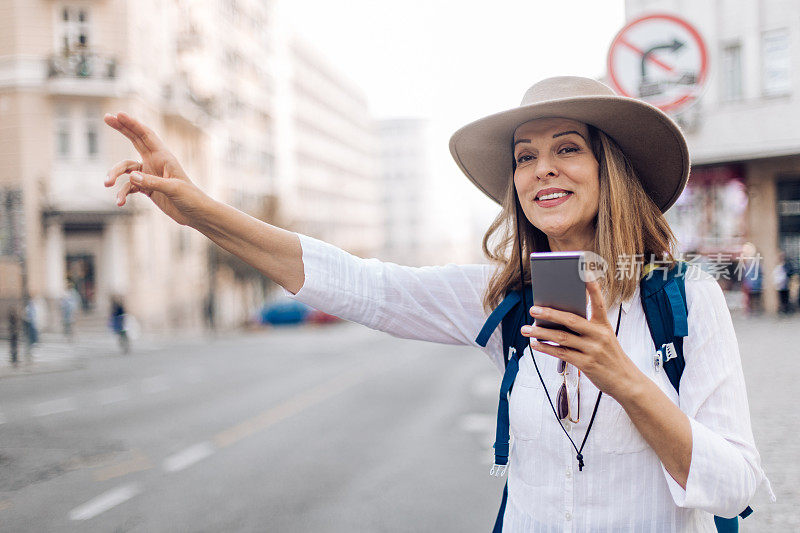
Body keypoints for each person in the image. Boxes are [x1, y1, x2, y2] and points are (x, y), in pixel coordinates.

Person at [103, 76, 772, 531]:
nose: (542, 168)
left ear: (612, 168)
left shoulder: (686, 298)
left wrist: (624, 378)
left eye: (568, 148)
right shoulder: (506, 300)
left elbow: (737, 484)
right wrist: (203, 213)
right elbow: (361, 283)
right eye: (525, 155)